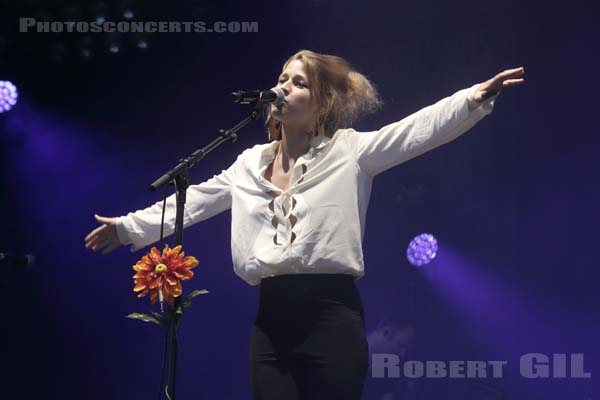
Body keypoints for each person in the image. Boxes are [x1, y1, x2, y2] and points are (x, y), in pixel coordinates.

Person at [84, 49, 524, 400]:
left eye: (298, 82)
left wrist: (471, 99)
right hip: (271, 321)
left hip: (332, 316)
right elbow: (193, 201)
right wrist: (126, 228)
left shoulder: (349, 151)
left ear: (323, 103)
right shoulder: (247, 165)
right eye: (281, 79)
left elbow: (413, 131)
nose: (284, 87)